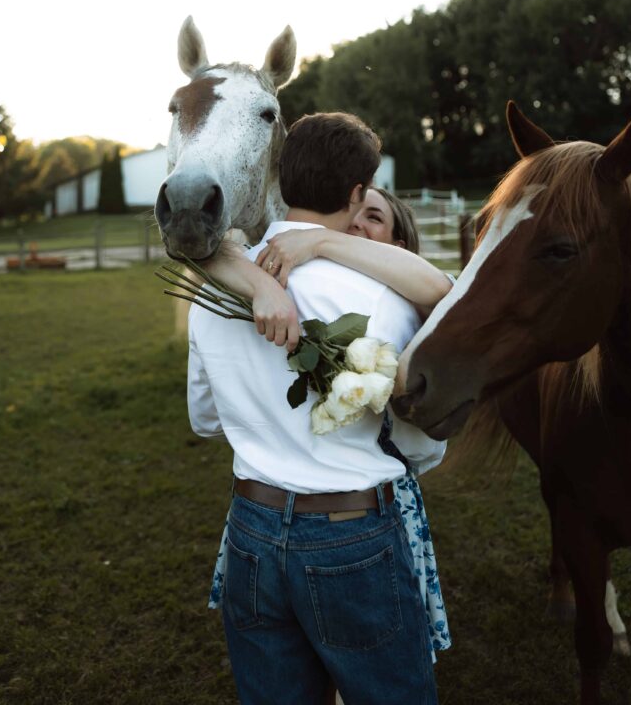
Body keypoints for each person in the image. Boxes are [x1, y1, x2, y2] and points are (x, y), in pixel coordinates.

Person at [188, 112, 446, 704]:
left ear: (280, 176)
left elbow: (203, 420)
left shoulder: (215, 284)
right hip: (351, 534)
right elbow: (423, 428)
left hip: (249, 529)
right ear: (358, 195)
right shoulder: (387, 298)